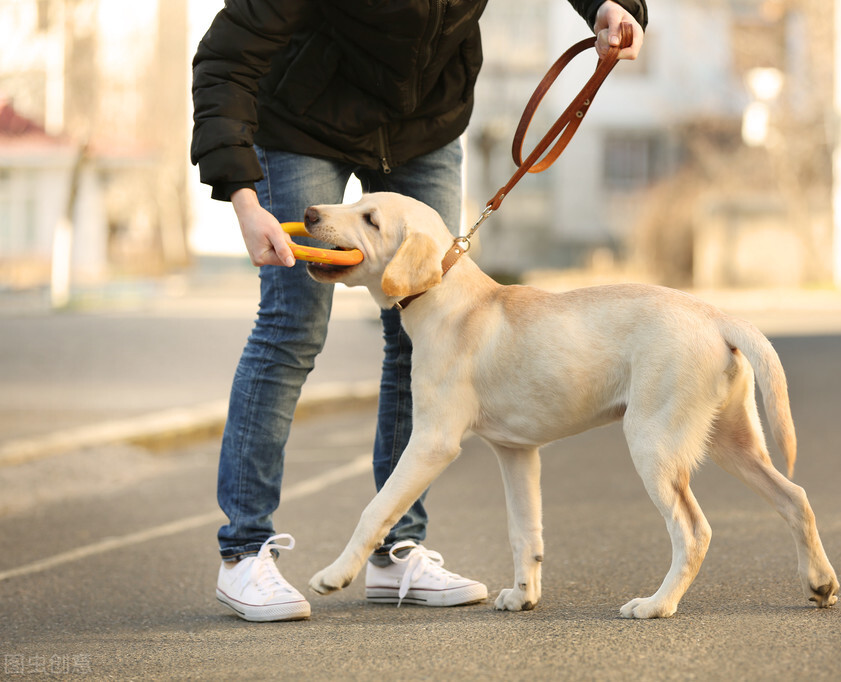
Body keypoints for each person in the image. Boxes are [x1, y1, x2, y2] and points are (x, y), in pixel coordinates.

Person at [191, 0, 647, 622]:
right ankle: (244, 553)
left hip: (423, 124)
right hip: (303, 123)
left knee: (431, 326)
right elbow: (225, 58)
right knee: (293, 323)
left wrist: (610, 4)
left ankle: (395, 548)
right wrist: (245, 199)